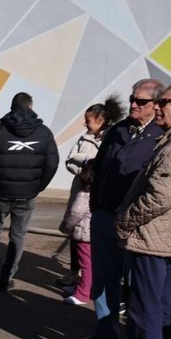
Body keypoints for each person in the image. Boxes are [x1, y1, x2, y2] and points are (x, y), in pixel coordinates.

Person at [73, 80, 164, 339]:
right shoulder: (118, 130)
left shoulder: (162, 134)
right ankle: (105, 330)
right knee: (104, 278)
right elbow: (100, 166)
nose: (134, 104)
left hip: (138, 222)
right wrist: (97, 204)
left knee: (135, 285)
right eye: (132, 99)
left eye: (142, 101)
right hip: (105, 215)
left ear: (156, 105)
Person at [106, 83, 171, 339]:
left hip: (153, 238)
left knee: (150, 310)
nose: (158, 107)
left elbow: (161, 196)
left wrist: (125, 220)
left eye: (165, 102)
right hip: (163, 237)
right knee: (162, 310)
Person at [0, 92, 59, 291]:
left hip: (0, 193)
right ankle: (7, 275)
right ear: (31, 108)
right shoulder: (44, 133)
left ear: (12, 107)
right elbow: (52, 163)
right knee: (18, 235)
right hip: (27, 194)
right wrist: (37, 186)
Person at [57, 98, 121, 291]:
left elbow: (107, 162)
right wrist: (86, 167)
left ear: (101, 121)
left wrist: (88, 162)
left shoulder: (112, 138)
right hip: (80, 188)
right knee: (77, 236)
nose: (85, 124)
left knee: (92, 239)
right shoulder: (84, 138)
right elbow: (69, 160)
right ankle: (75, 273)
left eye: (88, 120)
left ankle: (90, 281)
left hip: (97, 193)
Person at [59, 161, 95, 307]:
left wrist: (66, 226)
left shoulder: (85, 191)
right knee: (92, 263)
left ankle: (83, 293)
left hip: (84, 232)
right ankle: (85, 288)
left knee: (86, 263)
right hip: (97, 230)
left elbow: (76, 211)